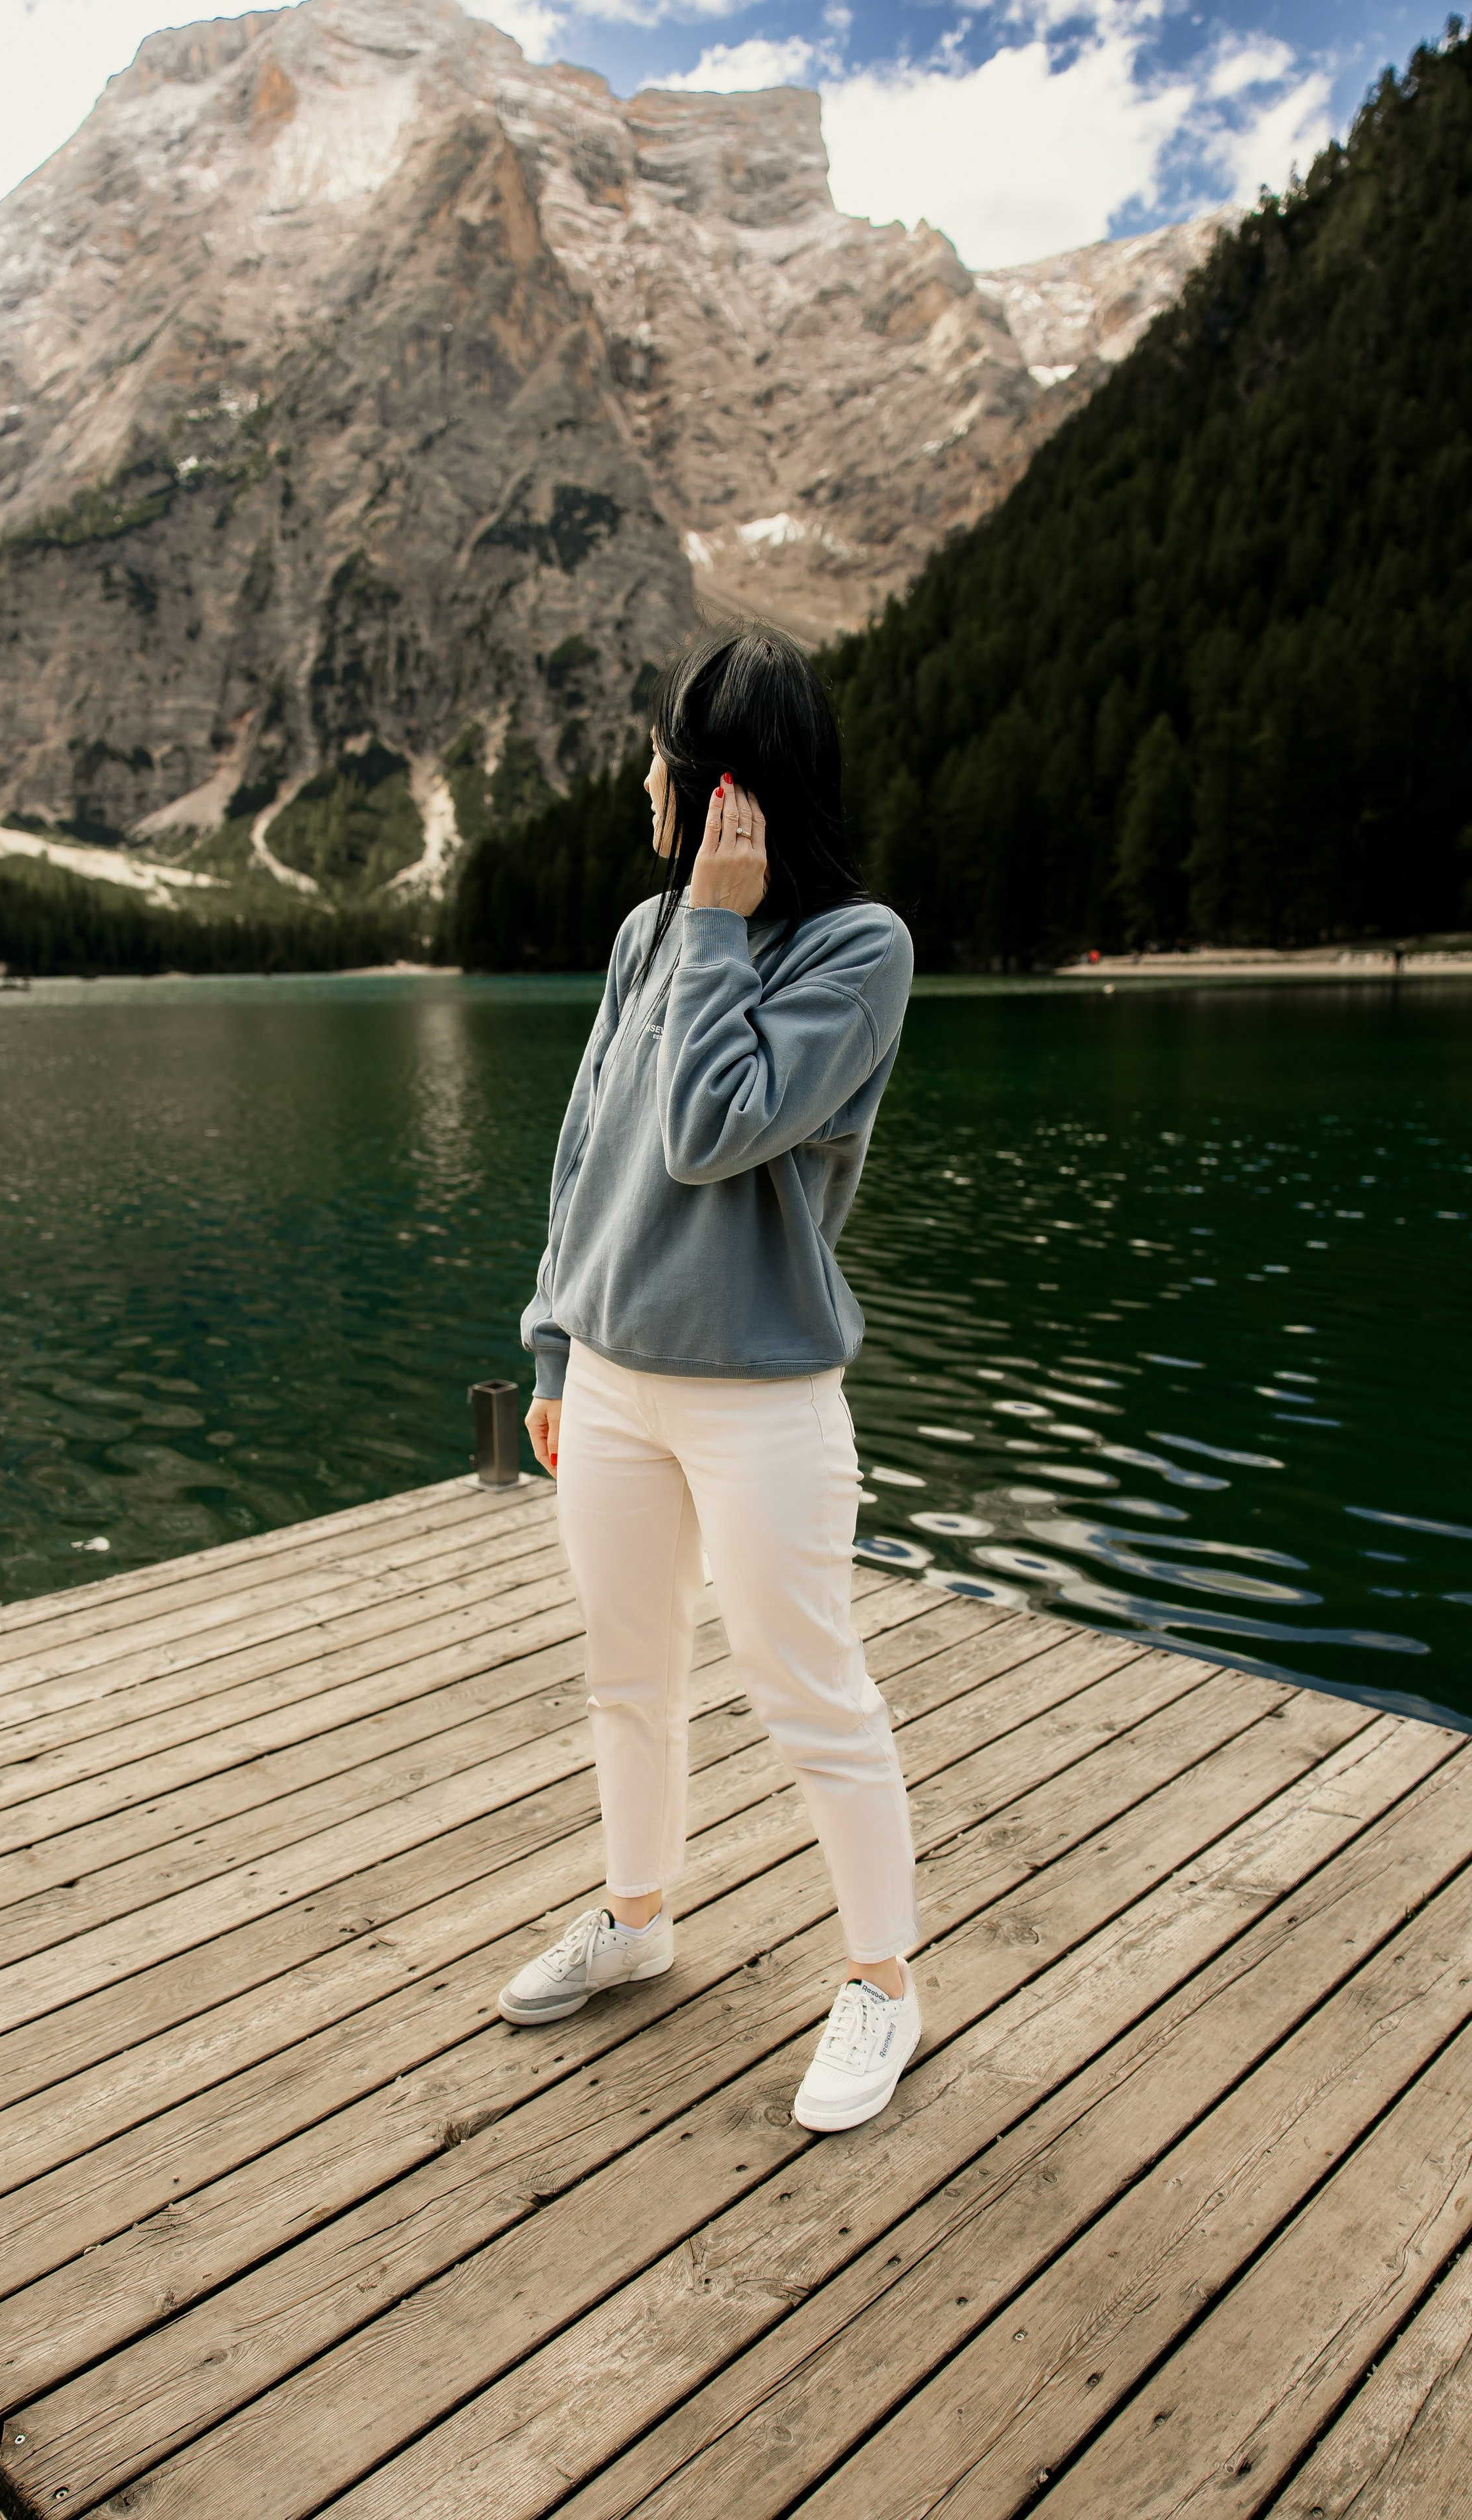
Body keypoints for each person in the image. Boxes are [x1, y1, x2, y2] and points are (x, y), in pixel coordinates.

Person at [501, 620, 918, 2133]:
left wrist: (723, 925)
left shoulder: (857, 952)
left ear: (727, 794)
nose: (645, 788)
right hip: (609, 1379)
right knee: (627, 1671)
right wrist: (553, 1337)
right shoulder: (640, 932)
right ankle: (639, 1913)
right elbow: (587, 1151)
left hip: (760, 1396)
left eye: (669, 768)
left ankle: (880, 1982)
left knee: (808, 1692)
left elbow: (704, 1126)